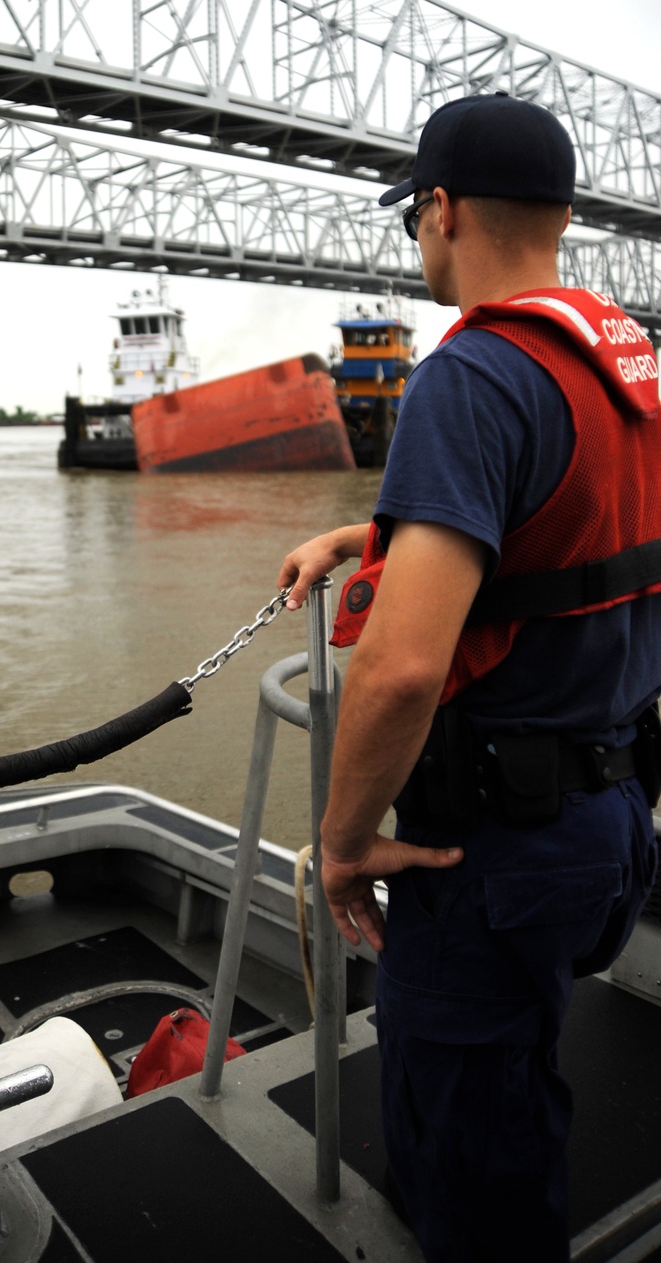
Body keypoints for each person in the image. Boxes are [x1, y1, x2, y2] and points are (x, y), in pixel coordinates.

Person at [277, 92, 661, 1263]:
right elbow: (568, 530)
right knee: (507, 1069)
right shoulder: (628, 360)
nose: (414, 240)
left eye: (413, 218)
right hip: (614, 826)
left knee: (477, 1152)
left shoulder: (470, 377)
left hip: (488, 852)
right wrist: (377, 532)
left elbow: (397, 672)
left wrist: (341, 844)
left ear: (441, 210)